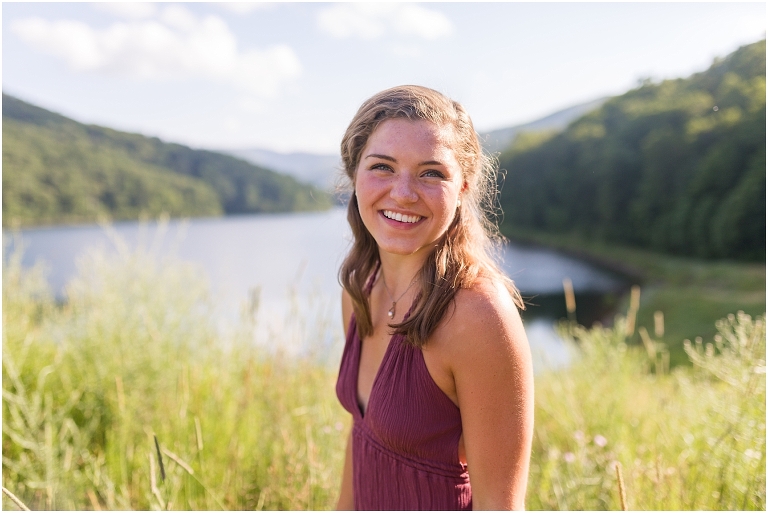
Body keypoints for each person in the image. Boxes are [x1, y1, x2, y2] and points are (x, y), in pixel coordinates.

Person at [335, 85, 534, 510]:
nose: (403, 193)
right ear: (355, 174)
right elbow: (361, 441)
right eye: (382, 167)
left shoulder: (478, 315)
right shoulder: (359, 290)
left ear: (462, 186)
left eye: (431, 173)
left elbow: (500, 506)